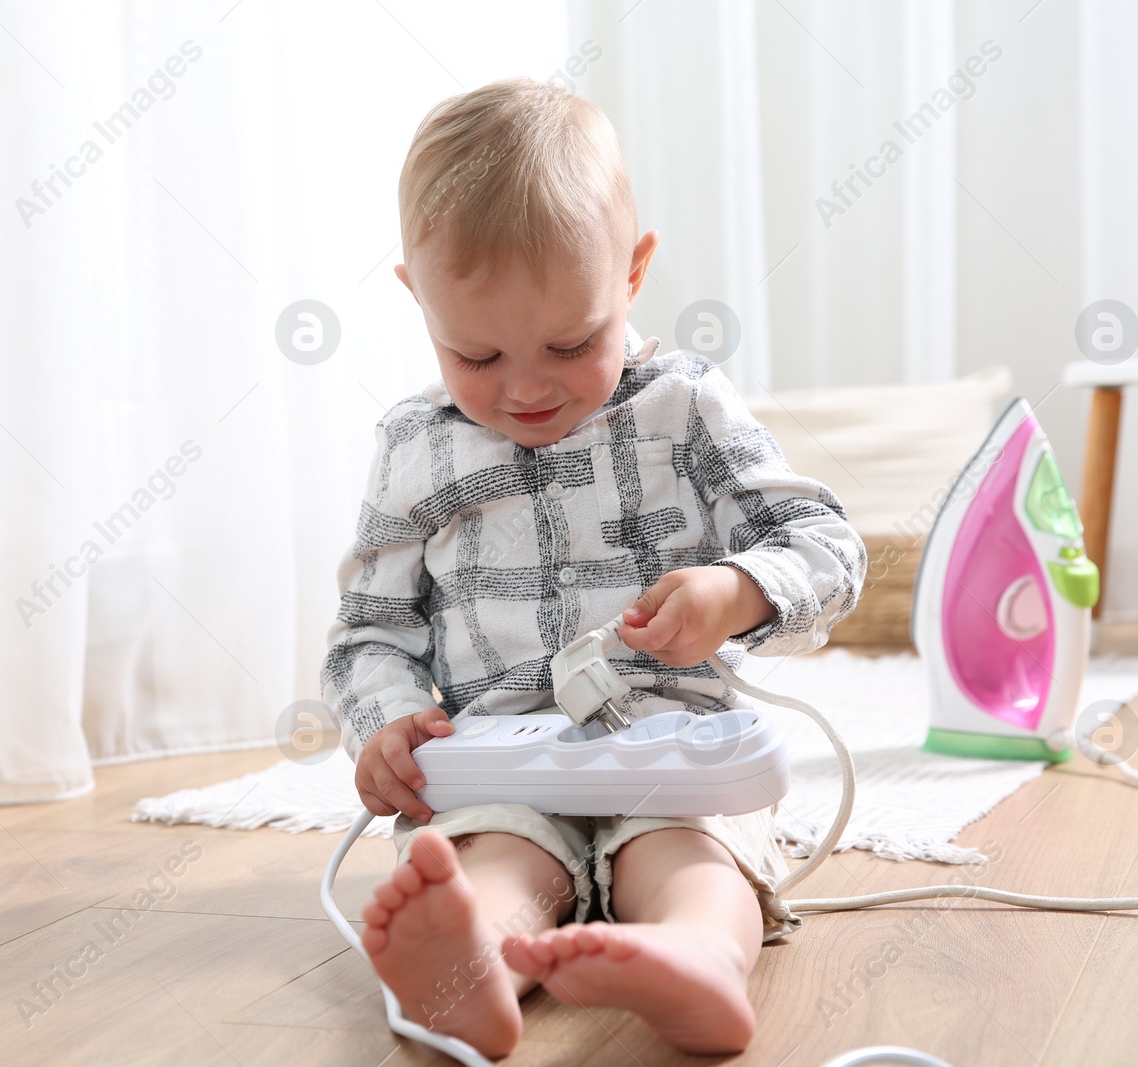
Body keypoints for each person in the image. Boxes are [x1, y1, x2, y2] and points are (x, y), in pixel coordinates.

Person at [320, 76, 865, 1059]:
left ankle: (698, 954)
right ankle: (477, 958)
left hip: (669, 740)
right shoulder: (413, 447)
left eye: (570, 343)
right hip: (497, 749)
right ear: (416, 297)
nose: (524, 387)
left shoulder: (686, 408)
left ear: (633, 272)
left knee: (688, 853)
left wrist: (735, 589)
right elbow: (371, 629)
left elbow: (828, 544)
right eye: (474, 353)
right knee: (496, 853)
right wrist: (384, 724)